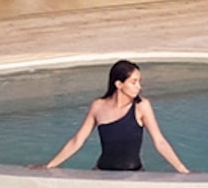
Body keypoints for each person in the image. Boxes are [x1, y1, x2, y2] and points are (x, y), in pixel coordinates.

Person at [37, 60, 189, 174]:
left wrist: (183, 170)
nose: (139, 87)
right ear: (119, 84)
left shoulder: (141, 106)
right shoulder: (98, 106)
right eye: (134, 82)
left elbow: (160, 141)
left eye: (139, 82)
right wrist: (50, 166)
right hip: (102, 173)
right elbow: (77, 140)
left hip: (133, 175)